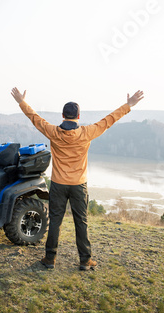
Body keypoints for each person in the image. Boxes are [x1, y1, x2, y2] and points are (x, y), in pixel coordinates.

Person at [11, 87, 144, 270]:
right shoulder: (87, 132)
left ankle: (50, 259)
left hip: (58, 184)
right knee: (81, 222)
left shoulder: (53, 132)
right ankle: (85, 260)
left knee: (55, 221)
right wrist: (129, 105)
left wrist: (21, 101)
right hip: (79, 185)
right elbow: (109, 121)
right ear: (78, 116)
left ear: (63, 115)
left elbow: (35, 118)